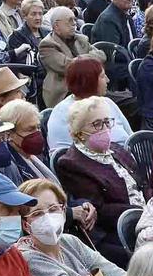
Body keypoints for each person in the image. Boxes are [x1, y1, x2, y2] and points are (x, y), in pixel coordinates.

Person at [19, 176, 121, 276]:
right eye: (37, 213)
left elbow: (116, 274)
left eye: (53, 209)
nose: (47, 218)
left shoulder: (69, 241)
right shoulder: (29, 258)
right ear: (26, 224)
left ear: (63, 210)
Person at [53, 95, 145, 267]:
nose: (104, 128)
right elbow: (100, 210)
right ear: (79, 132)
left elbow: (142, 184)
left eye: (107, 122)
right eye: (97, 124)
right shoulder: (72, 163)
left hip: (145, 216)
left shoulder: (116, 150)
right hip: (115, 230)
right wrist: (142, 212)